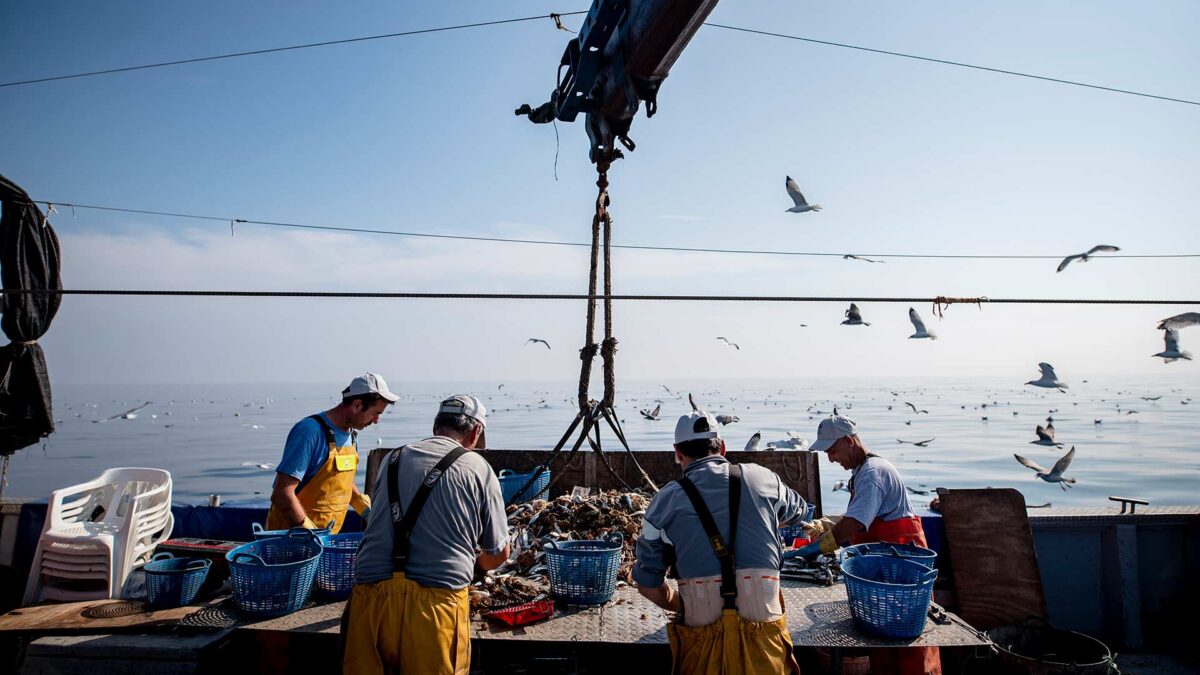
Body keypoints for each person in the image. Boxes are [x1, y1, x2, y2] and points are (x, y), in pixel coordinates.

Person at [343, 395, 509, 675]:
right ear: (475, 432)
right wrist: (478, 569)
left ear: (436, 427)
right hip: (435, 611)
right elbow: (498, 553)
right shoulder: (479, 467)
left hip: (370, 604)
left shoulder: (390, 459)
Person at [634, 409, 807, 675]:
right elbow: (800, 511)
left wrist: (680, 603)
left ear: (678, 453)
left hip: (702, 648)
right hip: (766, 644)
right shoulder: (764, 478)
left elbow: (647, 586)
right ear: (723, 447)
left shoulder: (663, 504)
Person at [798, 414, 941, 675]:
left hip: (903, 575)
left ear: (850, 441)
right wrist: (826, 525)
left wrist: (813, 549)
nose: (830, 459)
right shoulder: (864, 470)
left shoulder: (873, 473)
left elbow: (853, 525)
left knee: (910, 647)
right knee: (885, 644)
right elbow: (861, 517)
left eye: (832, 451)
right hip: (887, 573)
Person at [264, 373, 397, 535]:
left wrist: (365, 509)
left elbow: (340, 482)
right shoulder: (309, 431)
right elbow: (282, 493)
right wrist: (309, 532)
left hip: (326, 542)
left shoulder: (351, 436)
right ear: (356, 405)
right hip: (289, 542)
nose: (376, 420)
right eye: (376, 413)